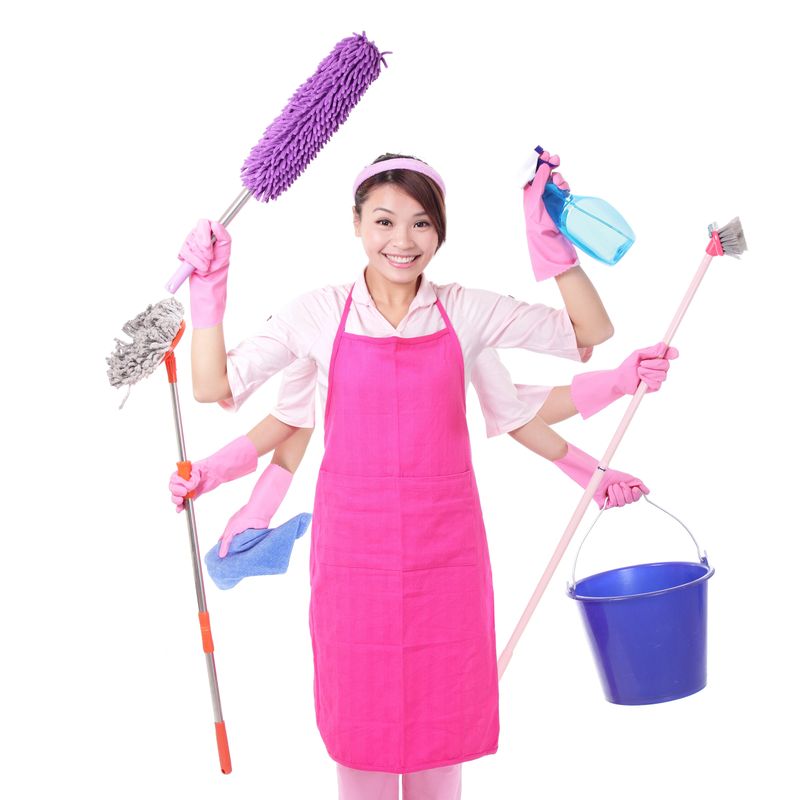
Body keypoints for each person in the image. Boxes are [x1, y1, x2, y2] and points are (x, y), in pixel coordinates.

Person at [174, 151, 676, 799]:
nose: (402, 242)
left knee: (442, 735)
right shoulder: (319, 314)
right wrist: (209, 288)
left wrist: (548, 241)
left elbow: (589, 331)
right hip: (354, 560)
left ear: (440, 232)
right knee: (362, 734)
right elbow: (214, 383)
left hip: (446, 560)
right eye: (384, 222)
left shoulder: (463, 311)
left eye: (421, 224)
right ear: (356, 224)